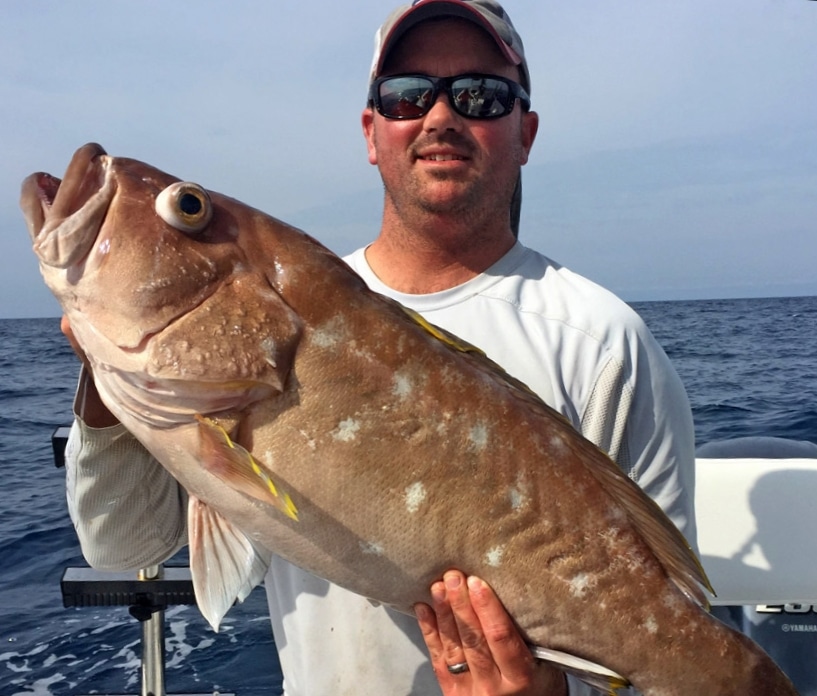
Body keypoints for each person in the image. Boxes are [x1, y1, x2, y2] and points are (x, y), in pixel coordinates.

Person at [63, 1, 697, 694]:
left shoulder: (604, 342)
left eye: (481, 96)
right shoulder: (208, 383)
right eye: (406, 96)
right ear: (372, 132)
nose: (440, 117)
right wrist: (106, 384)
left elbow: (673, 629)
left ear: (525, 132)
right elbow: (125, 548)